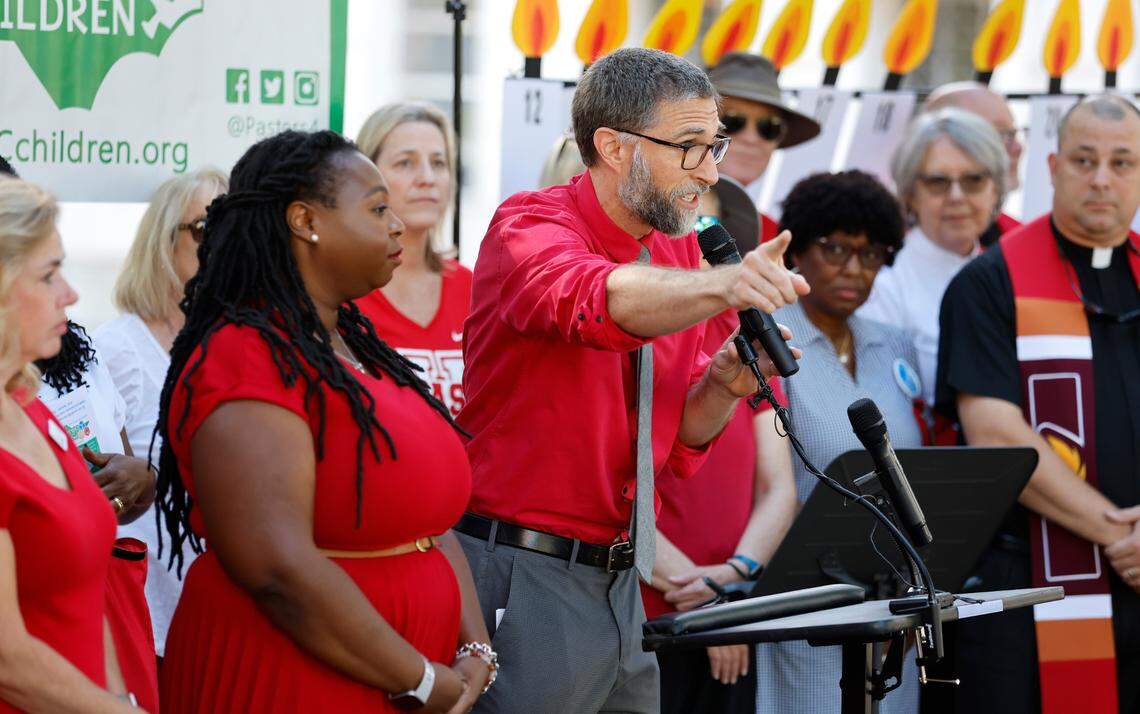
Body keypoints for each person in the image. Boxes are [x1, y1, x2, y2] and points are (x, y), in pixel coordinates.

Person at [455, 47, 808, 713]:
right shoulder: (528, 224)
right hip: (525, 571)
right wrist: (722, 283)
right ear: (613, 147)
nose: (707, 171)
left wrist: (725, 388)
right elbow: (599, 300)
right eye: (689, 147)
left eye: (716, 146)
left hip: (623, 581)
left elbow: (677, 446)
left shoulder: (677, 247)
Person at [154, 129, 493, 713]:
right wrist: (414, 675)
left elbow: (428, 524)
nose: (396, 225)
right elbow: (275, 566)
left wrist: (475, 646)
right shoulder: (244, 355)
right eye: (377, 207)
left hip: (408, 674)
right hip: (291, 675)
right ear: (305, 220)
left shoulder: (356, 350)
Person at [936, 94, 1140, 713]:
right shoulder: (989, 282)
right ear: (1051, 167)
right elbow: (996, 433)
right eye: (1083, 160)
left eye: (1122, 162)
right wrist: (1120, 535)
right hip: (1032, 585)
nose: (1101, 178)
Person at [761, 169, 918, 714]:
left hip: (893, 602)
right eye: (835, 249)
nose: (854, 268)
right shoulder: (769, 340)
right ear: (797, 251)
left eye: (871, 253)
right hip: (804, 603)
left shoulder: (891, 344)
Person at [646, 170, 798, 714]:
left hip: (732, 603)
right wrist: (707, 599)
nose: (703, 236)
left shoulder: (745, 336)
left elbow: (779, 487)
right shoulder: (641, 334)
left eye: (710, 222)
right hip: (652, 610)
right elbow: (607, 490)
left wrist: (734, 581)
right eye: (688, 221)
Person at [0, 177, 135, 712]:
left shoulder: (33, 408)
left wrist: (121, 699)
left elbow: (84, 592)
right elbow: (9, 659)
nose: (72, 294)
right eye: (49, 274)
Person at [95, 168, 228, 659]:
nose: (220, 242)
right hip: (148, 621)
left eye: (232, 226)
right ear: (162, 241)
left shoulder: (244, 347)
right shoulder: (117, 348)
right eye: (204, 227)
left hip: (229, 620)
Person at [858, 108, 1007, 415]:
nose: (956, 196)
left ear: (995, 191)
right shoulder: (884, 284)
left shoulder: (1013, 275)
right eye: (938, 182)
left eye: (973, 180)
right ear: (911, 194)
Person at [354, 102, 470, 417]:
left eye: (438, 163)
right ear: (366, 176)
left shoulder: (476, 289)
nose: (427, 178)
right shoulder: (343, 292)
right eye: (406, 163)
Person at [706, 52, 821, 243]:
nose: (751, 138)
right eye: (732, 122)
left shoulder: (773, 236)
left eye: (769, 127)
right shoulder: (655, 213)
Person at [923, 81, 1024, 241]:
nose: (1018, 148)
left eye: (1014, 133)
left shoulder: (1020, 239)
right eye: (1000, 134)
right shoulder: (889, 245)